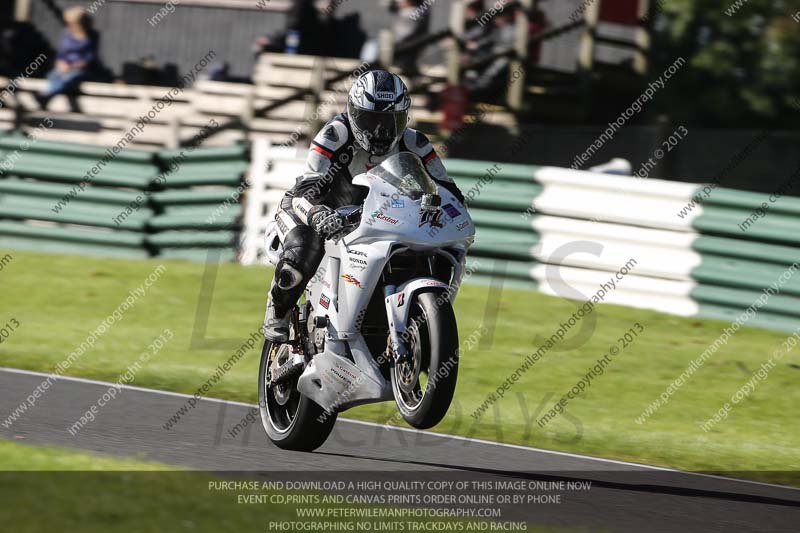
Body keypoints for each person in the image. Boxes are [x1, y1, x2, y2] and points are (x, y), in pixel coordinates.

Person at [263, 70, 465, 341]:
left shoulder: (415, 143)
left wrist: (448, 211)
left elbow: (446, 188)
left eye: (390, 122)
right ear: (354, 113)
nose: (380, 131)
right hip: (312, 207)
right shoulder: (335, 134)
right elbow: (307, 187)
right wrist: (317, 213)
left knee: (431, 248)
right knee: (303, 247)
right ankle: (278, 309)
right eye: (371, 120)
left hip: (372, 218)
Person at [35, 6, 99, 110]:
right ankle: (47, 97)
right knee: (53, 75)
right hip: (64, 67)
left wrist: (73, 66)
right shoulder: (67, 34)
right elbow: (61, 53)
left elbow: (90, 57)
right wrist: (61, 64)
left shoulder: (92, 36)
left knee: (69, 78)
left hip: (82, 69)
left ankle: (46, 96)